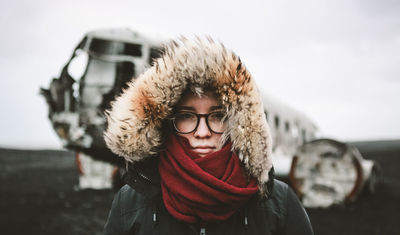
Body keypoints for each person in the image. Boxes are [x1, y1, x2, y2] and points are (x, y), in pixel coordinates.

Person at [103, 37, 314, 235]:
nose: (202, 132)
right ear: (166, 122)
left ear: (238, 122)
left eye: (218, 116)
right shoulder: (128, 203)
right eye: (186, 116)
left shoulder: (281, 203)